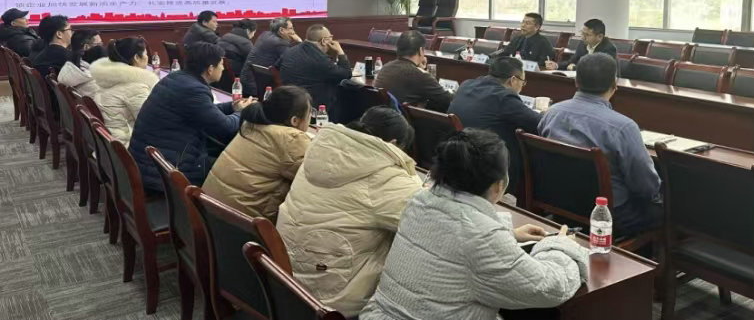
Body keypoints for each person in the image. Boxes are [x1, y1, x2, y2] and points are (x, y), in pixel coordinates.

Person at [360, 129, 588, 320]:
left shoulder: (419, 201)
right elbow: (549, 288)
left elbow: (452, 238)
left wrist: (508, 234)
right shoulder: (481, 236)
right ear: (498, 186)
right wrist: (560, 246)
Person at [276, 107, 421, 318]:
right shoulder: (384, 178)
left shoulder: (321, 149)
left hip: (287, 275)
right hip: (331, 296)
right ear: (393, 144)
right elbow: (425, 220)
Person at [538, 53, 662, 235]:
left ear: (576, 82)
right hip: (609, 216)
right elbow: (646, 186)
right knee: (665, 205)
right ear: (614, 85)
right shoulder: (623, 127)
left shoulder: (551, 113)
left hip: (559, 204)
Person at [129, 42, 256, 191]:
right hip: (166, 173)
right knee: (237, 171)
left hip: (149, 162)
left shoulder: (176, 78)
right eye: (221, 64)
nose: (223, 68)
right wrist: (243, 111)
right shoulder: (194, 90)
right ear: (210, 69)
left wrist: (232, 107)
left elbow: (204, 111)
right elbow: (226, 128)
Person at [203, 85, 312, 223]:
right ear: (295, 121)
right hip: (245, 226)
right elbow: (314, 177)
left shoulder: (251, 124)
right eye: (309, 114)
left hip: (209, 214)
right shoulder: (291, 139)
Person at [448, 56, 541, 198]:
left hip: (458, 158)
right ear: (513, 80)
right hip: (489, 166)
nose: (522, 86)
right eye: (523, 82)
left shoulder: (466, 84)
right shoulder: (504, 97)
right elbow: (538, 123)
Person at [90, 38, 160, 147]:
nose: (147, 58)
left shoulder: (108, 77)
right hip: (124, 147)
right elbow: (150, 123)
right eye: (146, 54)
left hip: (108, 144)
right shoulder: (135, 86)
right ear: (137, 58)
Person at [277, 24, 351, 116]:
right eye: (330, 38)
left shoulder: (290, 51)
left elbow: (277, 66)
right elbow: (346, 74)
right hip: (314, 107)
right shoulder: (320, 60)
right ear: (324, 41)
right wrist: (341, 52)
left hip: (289, 101)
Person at [374, 30, 452, 112]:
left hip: (380, 117)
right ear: (421, 51)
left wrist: (419, 69)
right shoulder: (419, 75)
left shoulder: (386, 67)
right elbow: (446, 100)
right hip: (402, 119)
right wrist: (424, 72)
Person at [241, 17, 301, 97]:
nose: (294, 32)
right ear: (282, 30)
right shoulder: (281, 43)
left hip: (247, 81)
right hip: (259, 86)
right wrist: (300, 42)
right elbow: (293, 61)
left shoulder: (265, 35)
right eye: (291, 28)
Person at [545, 18, 616, 71]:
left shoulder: (609, 48)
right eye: (582, 33)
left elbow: (599, 70)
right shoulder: (583, 44)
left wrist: (575, 68)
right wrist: (556, 65)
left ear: (600, 36)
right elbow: (572, 62)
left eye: (587, 35)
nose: (583, 37)